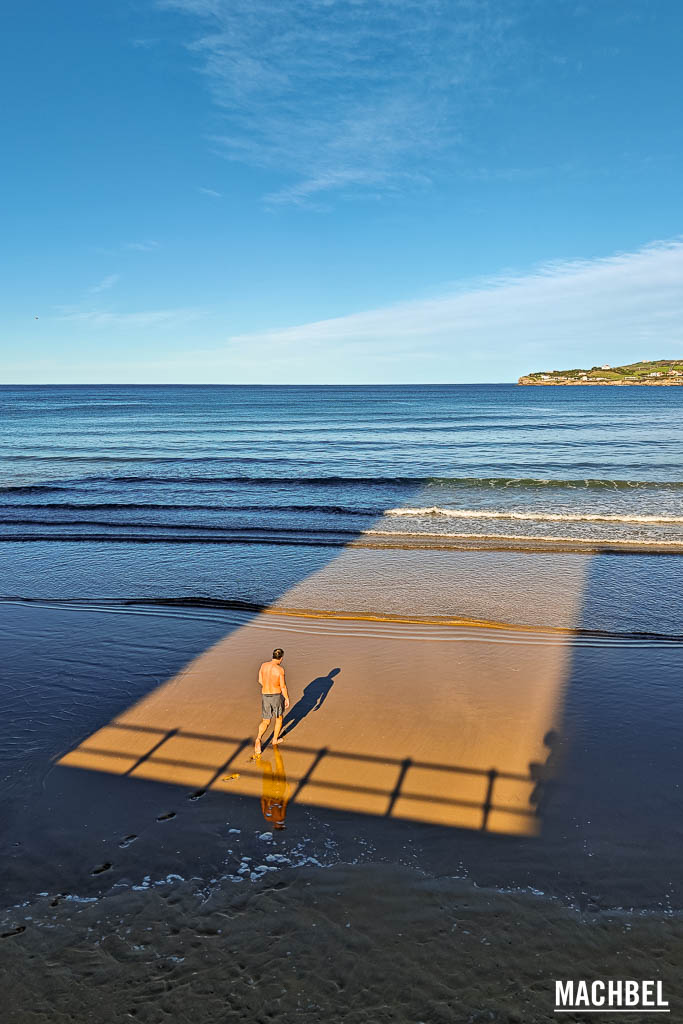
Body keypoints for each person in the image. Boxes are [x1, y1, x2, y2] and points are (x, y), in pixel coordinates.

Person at [254, 648, 290, 757]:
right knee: (279, 718)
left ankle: (258, 739)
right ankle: (274, 740)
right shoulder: (280, 670)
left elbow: (260, 680)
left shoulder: (263, 665)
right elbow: (283, 686)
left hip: (265, 695)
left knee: (266, 720)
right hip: (276, 695)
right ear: (281, 658)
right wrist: (287, 698)